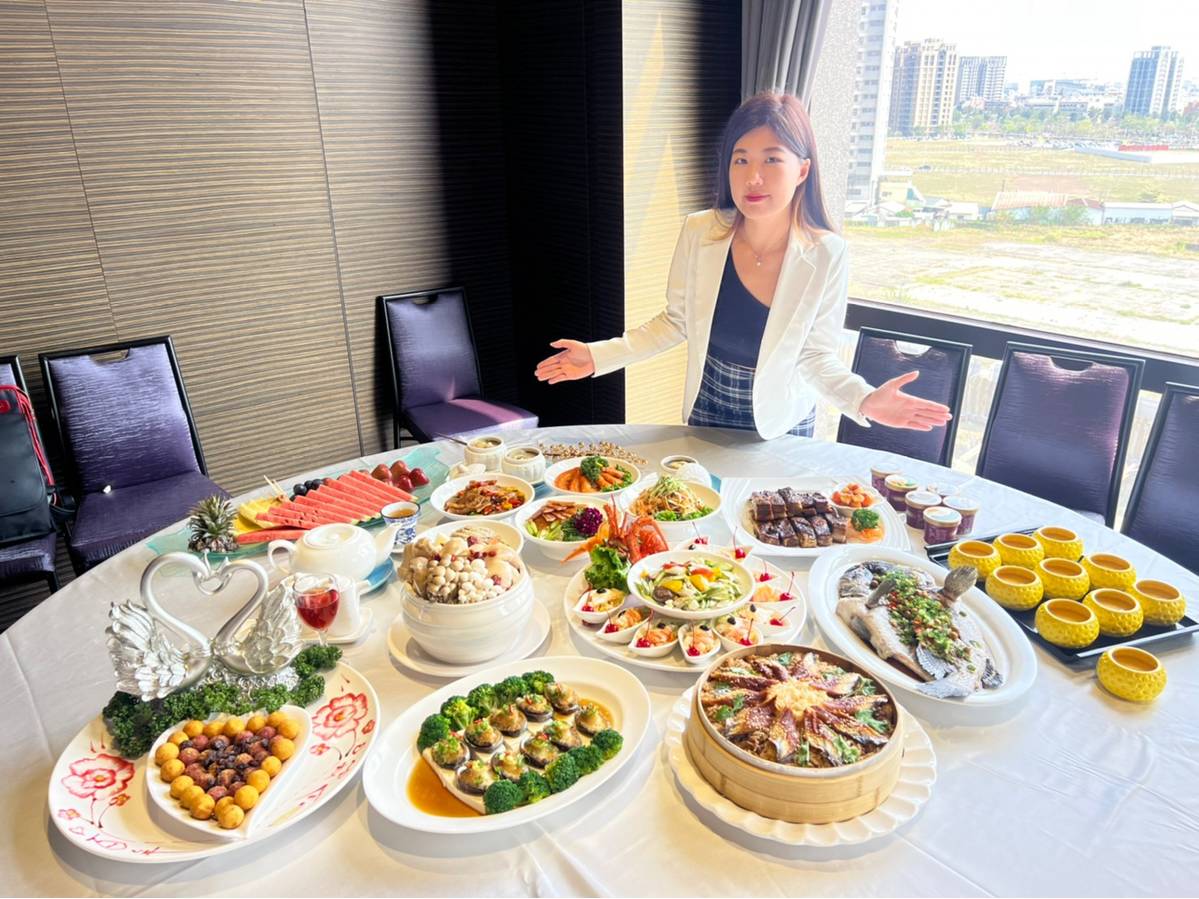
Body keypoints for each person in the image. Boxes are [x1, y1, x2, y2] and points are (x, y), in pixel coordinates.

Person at [534, 91, 952, 440]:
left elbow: (815, 355)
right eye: (741, 159)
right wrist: (598, 356)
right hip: (709, 402)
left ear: (802, 169)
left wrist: (862, 398)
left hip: (781, 420)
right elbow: (675, 322)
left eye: (772, 160)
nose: (753, 177)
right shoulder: (701, 231)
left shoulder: (827, 253)